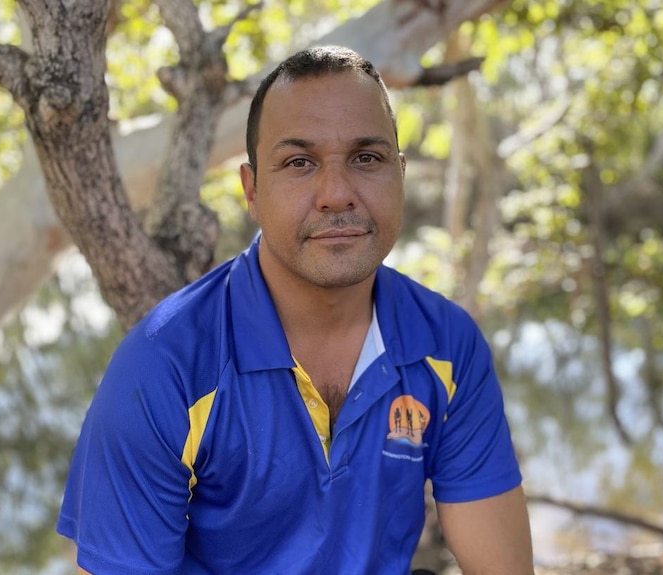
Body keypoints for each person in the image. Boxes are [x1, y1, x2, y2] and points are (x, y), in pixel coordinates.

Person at [57, 45, 534, 574]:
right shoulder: (163, 368)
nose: (336, 193)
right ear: (252, 190)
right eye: (299, 163)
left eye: (366, 158)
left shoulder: (447, 343)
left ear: (399, 174)